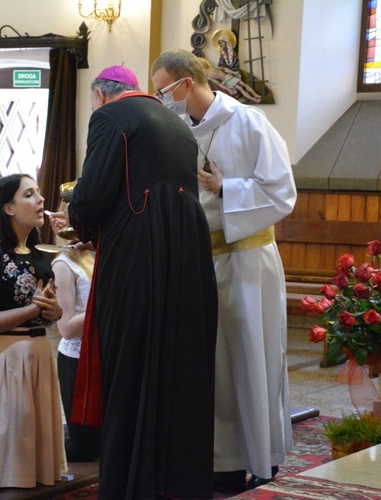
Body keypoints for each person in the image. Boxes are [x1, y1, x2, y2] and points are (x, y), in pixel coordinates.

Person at [50, 65, 218, 499]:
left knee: (131, 361)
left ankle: (129, 482)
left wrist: (79, 224)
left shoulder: (110, 118)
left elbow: (91, 192)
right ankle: (172, 480)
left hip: (137, 257)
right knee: (172, 364)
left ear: (102, 96)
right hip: (184, 258)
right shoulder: (177, 126)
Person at [151, 48, 297, 491]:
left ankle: (262, 459)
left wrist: (225, 187)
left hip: (248, 261)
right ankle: (222, 461)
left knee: (252, 359)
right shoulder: (178, 130)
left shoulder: (248, 122)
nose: (162, 99)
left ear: (187, 83)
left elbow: (282, 193)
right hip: (203, 263)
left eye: (164, 90)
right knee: (213, 367)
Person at [0, 173, 66, 488]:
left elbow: (49, 312)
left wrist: (54, 312)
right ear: (8, 207)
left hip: (40, 354)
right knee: (15, 435)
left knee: (36, 436)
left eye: (38, 193)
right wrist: (32, 310)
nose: (40, 200)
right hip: (8, 356)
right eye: (29, 194)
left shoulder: (40, 256)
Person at [51, 218, 100, 463]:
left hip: (105, 354)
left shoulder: (101, 255)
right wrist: (103, 306)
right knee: (85, 449)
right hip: (78, 358)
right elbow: (66, 328)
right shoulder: (63, 264)